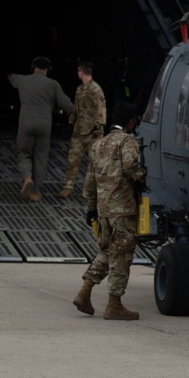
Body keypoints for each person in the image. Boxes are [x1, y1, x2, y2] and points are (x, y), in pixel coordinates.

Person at [73, 101, 146, 320]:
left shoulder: (98, 144)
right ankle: (114, 304)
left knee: (106, 251)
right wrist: (142, 177)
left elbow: (89, 180)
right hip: (122, 209)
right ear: (131, 122)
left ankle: (84, 292)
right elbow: (130, 166)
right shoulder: (128, 142)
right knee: (121, 255)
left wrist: (91, 208)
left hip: (104, 210)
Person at [7, 56, 75, 202]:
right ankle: (36, 192)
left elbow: (11, 77)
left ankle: (27, 178)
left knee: (24, 153)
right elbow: (67, 106)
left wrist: (18, 77)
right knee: (40, 157)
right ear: (48, 70)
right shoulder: (53, 84)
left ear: (33, 67)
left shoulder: (23, 80)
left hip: (26, 123)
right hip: (44, 124)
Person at [59, 61, 106, 198]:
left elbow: (101, 108)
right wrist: (70, 123)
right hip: (79, 131)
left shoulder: (96, 89)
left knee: (96, 162)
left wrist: (99, 125)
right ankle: (68, 186)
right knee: (73, 160)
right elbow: (76, 108)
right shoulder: (80, 89)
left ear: (81, 72)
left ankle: (96, 190)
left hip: (92, 132)